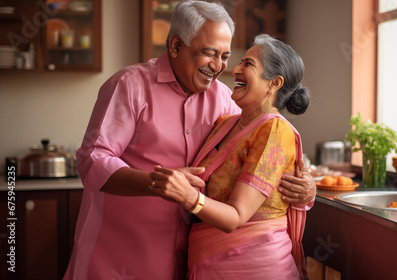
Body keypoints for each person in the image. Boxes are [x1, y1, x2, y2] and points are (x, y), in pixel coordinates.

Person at [64, 1, 315, 279]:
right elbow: (92, 160)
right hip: (118, 252)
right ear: (175, 46)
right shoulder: (129, 85)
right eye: (209, 53)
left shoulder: (224, 99)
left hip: (190, 258)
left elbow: (256, 154)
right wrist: (155, 183)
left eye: (225, 56)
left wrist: (305, 191)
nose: (220, 66)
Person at [150, 34, 311, 279]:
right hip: (209, 262)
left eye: (248, 64)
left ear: (274, 83)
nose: (234, 69)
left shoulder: (275, 131)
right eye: (240, 61)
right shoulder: (227, 123)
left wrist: (189, 196)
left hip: (253, 266)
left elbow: (236, 216)